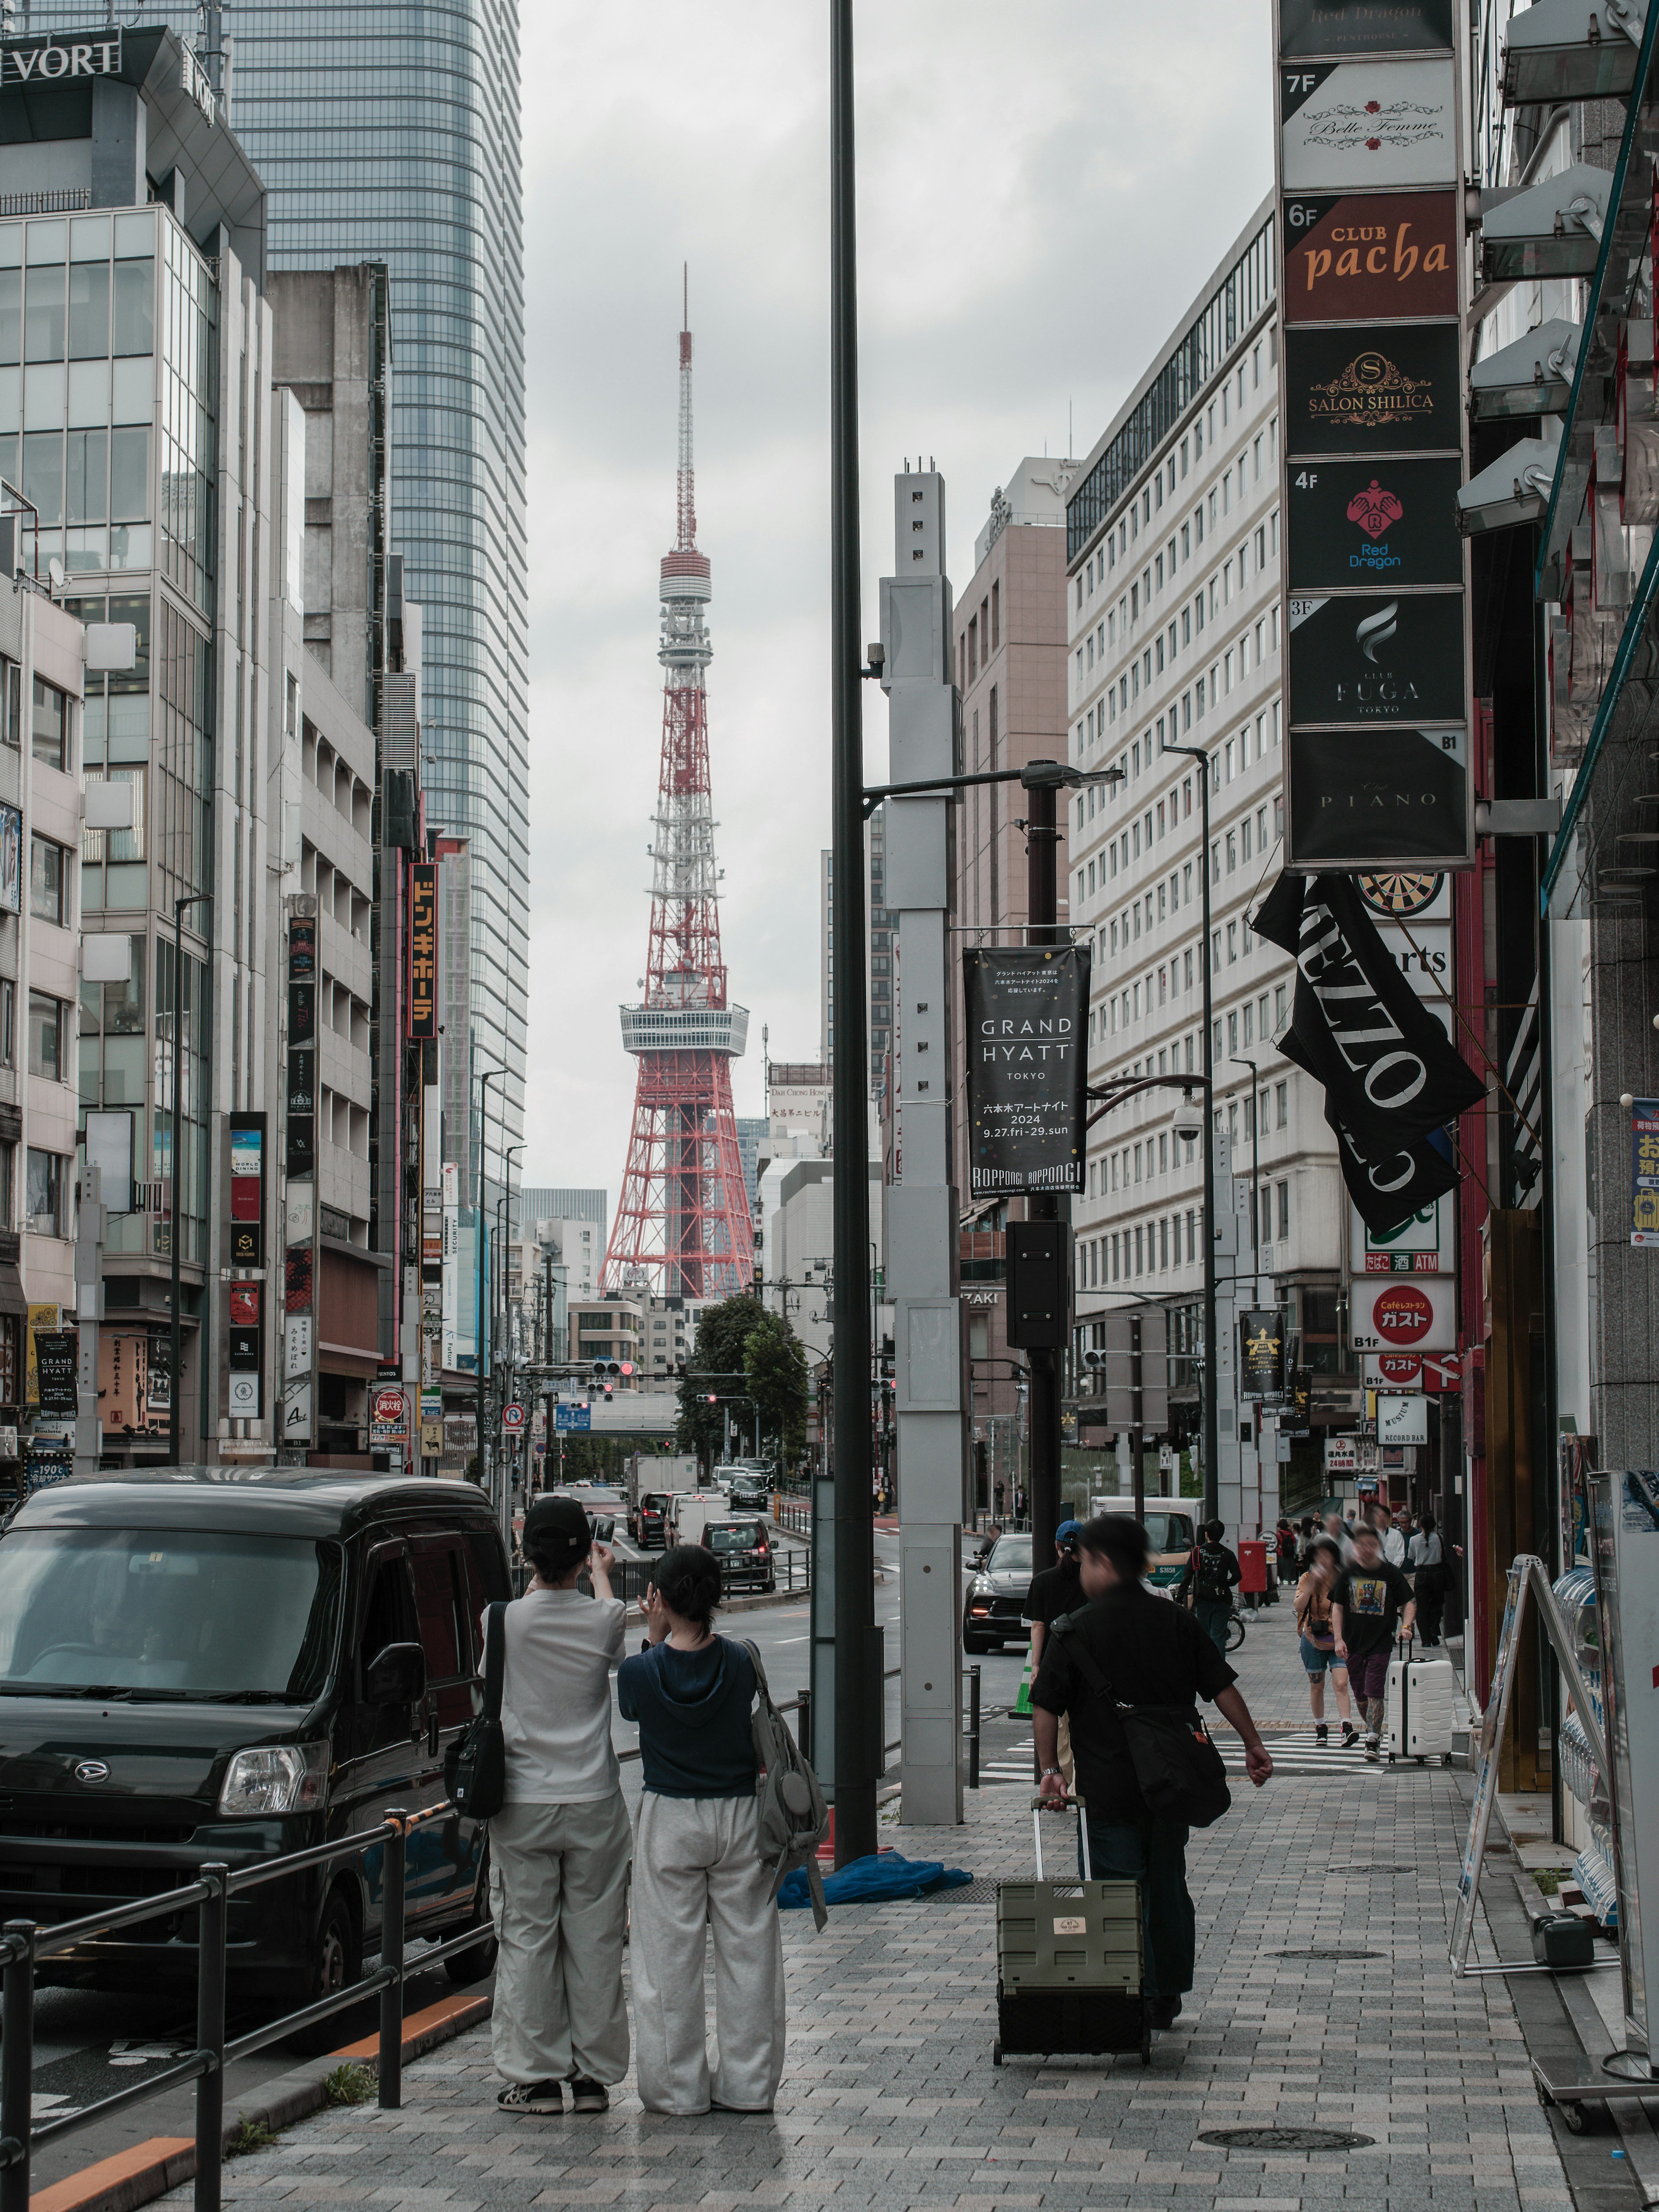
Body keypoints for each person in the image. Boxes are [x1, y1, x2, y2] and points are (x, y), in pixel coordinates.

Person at [1031, 1516, 1273, 2029]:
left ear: (1104, 1563)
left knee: (1116, 1887)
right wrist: (1253, 1744)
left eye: (1087, 1559)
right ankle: (1165, 1992)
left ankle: (1126, 1990)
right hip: (1170, 1781)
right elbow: (1221, 1684)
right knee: (1166, 1882)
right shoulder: (1176, 1622)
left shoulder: (1075, 1628)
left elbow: (1045, 1705)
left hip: (1107, 1788)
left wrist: (1051, 1770)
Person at [617, 1545, 785, 2117]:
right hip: (739, 1816)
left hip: (670, 1817)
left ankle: (676, 2090)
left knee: (668, 1959)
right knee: (749, 1953)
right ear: (716, 1597)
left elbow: (635, 1711)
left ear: (659, 1599)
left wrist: (653, 1634)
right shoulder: (742, 1661)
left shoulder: (642, 1670)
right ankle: (749, 2086)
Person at [488, 1495, 631, 2118]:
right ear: (582, 1553)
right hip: (594, 1798)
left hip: (522, 1800)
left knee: (527, 1935)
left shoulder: (502, 1622)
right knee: (596, 1938)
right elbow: (609, 1613)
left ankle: (536, 2078)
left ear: (527, 1554)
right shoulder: (606, 1621)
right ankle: (594, 2078)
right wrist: (599, 1573)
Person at [1332, 1522, 1417, 1762]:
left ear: (1379, 1547)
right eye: (1362, 1545)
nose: (1366, 1549)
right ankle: (1372, 1731)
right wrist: (1338, 1639)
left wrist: (1406, 1627)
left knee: (1374, 1691)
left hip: (1381, 1642)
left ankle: (1373, 1739)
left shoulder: (1389, 1573)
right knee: (1360, 1695)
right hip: (1353, 1643)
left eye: (1371, 1545)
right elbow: (1337, 1608)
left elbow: (1409, 1602)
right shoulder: (1347, 1573)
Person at [1025, 1521, 1084, 1791]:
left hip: (1053, 1663)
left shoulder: (1043, 1581)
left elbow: (1038, 1626)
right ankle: (1084, 1785)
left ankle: (1065, 1785)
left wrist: (1036, 1665)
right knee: (1086, 1726)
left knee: (1060, 1730)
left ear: (1056, 1547)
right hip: (1088, 1663)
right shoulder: (1092, 1579)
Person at [1294, 1535, 1357, 1748]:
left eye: (1327, 1555)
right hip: (1312, 1639)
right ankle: (1321, 1727)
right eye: (1319, 1556)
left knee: (1341, 1683)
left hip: (1339, 1639)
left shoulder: (1343, 1578)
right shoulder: (1307, 1578)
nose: (1323, 1560)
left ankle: (1346, 1727)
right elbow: (1298, 1606)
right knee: (1317, 1686)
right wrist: (1312, 1584)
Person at [1177, 1518, 1241, 1651]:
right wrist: (1225, 1584)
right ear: (1222, 1535)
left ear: (1206, 1534)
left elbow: (1188, 1577)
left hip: (1203, 1599)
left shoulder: (1197, 1553)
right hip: (1223, 1599)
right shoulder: (1228, 1554)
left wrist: (1179, 1597)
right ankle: (1220, 1669)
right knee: (1219, 1637)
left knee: (1203, 1636)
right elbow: (1237, 1576)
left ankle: (1206, 1669)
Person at [1409, 1512, 1446, 1647]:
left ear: (1420, 1525)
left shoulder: (1414, 1540)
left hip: (1422, 1573)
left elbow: (1412, 1556)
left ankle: (1425, 1639)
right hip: (1437, 1573)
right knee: (1436, 1605)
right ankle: (1434, 1633)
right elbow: (1443, 1555)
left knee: (1422, 1607)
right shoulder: (1439, 1538)